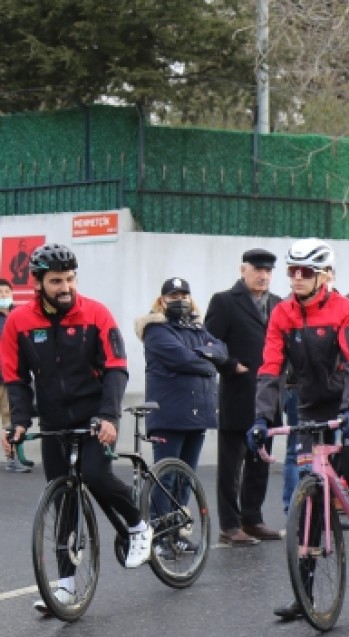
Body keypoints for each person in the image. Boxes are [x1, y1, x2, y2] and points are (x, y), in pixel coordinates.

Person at [2, 244, 154, 612]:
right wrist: (18, 423)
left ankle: (138, 527)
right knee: (63, 499)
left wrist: (109, 417)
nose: (65, 287)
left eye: (70, 279)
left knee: (95, 476)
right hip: (55, 421)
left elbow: (117, 367)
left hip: (94, 415)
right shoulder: (19, 322)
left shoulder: (96, 313)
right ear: (38, 283)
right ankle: (66, 585)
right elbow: (15, 378)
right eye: (56, 281)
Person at [252, 239, 349, 621]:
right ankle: (306, 591)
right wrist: (262, 419)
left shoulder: (345, 310)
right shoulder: (282, 313)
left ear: (325, 276)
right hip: (313, 403)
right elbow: (270, 369)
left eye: (306, 272)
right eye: (292, 272)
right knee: (312, 487)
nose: (297, 279)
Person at [204, 249, 284, 546]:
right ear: (243, 270)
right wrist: (229, 364)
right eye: (257, 269)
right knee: (231, 464)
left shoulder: (279, 304)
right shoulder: (224, 301)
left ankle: (252, 519)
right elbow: (207, 342)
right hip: (238, 394)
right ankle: (229, 525)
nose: (263, 276)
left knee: (259, 461)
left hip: (269, 395)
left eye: (268, 271)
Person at [135, 276, 230, 472]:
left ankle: (181, 505)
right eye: (174, 296)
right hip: (169, 416)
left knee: (187, 479)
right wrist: (209, 360)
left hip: (197, 416)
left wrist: (203, 356)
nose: (180, 300)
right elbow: (184, 360)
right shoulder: (156, 330)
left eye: (184, 295)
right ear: (162, 300)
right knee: (166, 478)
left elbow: (222, 351)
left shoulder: (197, 328)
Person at [0, 277, 30, 473]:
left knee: (9, 419)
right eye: (0, 293)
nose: (3, 296)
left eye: (6, 293)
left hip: (9, 377)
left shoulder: (17, 316)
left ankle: (12, 458)